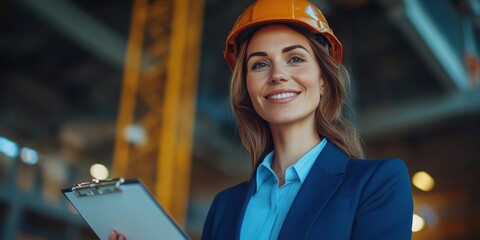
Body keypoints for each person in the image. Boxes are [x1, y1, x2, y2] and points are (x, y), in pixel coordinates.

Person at [201, 0, 413, 239]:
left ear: (323, 79)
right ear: (248, 88)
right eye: (260, 64)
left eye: (295, 59)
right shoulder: (224, 206)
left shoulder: (376, 182)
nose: (278, 75)